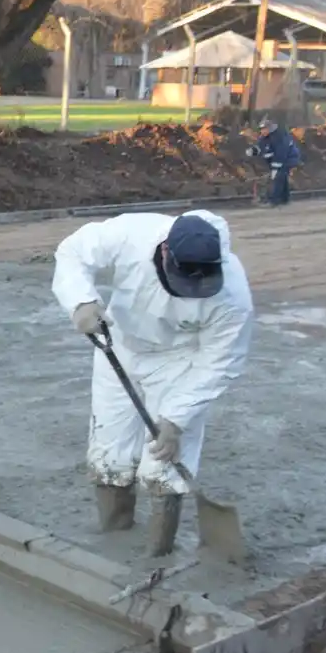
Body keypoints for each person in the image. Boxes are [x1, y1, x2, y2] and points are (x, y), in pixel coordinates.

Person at [52, 210, 253, 557]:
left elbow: (219, 363)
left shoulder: (233, 298)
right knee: (109, 453)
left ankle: (156, 556)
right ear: (164, 252)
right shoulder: (130, 234)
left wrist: (177, 418)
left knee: (164, 466)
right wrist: (81, 300)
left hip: (179, 360)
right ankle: (114, 541)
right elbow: (72, 252)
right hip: (121, 343)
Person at [245, 117, 301, 207]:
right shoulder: (264, 137)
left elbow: (281, 153)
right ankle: (285, 199)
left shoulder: (280, 137)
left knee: (278, 177)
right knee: (282, 177)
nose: (262, 131)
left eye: (264, 129)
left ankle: (274, 201)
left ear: (270, 128)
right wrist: (253, 151)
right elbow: (261, 147)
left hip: (288, 159)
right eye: (261, 129)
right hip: (276, 160)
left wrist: (275, 168)